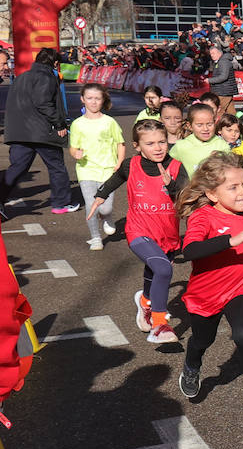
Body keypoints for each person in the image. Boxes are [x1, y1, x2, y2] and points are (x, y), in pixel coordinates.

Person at [175, 152, 243, 419]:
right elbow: (190, 250)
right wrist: (231, 240)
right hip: (205, 294)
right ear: (212, 194)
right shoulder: (203, 217)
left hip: (241, 286)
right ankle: (192, 365)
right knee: (202, 339)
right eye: (233, 187)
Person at [87, 120, 186, 344]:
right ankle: (160, 323)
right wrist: (100, 195)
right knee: (162, 268)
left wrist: (172, 186)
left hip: (168, 233)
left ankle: (145, 302)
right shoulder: (130, 165)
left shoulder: (177, 166)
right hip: (138, 230)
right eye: (150, 143)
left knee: (156, 270)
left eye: (162, 141)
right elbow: (116, 179)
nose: (158, 147)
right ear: (137, 146)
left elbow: (185, 195)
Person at [0, 48, 76, 214]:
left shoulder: (21, 78)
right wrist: (59, 124)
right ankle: (60, 203)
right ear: (55, 63)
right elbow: (43, 103)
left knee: (18, 167)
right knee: (56, 167)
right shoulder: (47, 77)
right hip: (41, 132)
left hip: (19, 132)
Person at [68, 83, 125, 251]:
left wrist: (119, 162)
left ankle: (107, 217)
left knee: (105, 206)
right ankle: (95, 238)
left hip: (108, 169)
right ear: (82, 100)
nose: (93, 102)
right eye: (89, 98)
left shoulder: (110, 122)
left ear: (103, 100)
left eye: (97, 98)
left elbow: (120, 144)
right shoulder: (77, 124)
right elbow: (73, 147)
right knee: (91, 204)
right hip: (86, 169)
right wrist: (75, 154)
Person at [170, 103, 231, 174]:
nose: (205, 129)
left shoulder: (222, 145)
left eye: (209, 124)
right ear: (189, 126)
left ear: (215, 123)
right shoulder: (181, 146)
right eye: (199, 125)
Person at [205, 44, 237, 118]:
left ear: (220, 53)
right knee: (231, 112)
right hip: (225, 90)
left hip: (223, 91)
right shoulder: (220, 61)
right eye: (210, 54)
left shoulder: (223, 62)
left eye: (213, 53)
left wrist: (210, 80)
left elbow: (223, 76)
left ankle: (218, 126)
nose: (211, 55)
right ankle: (237, 124)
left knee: (219, 111)